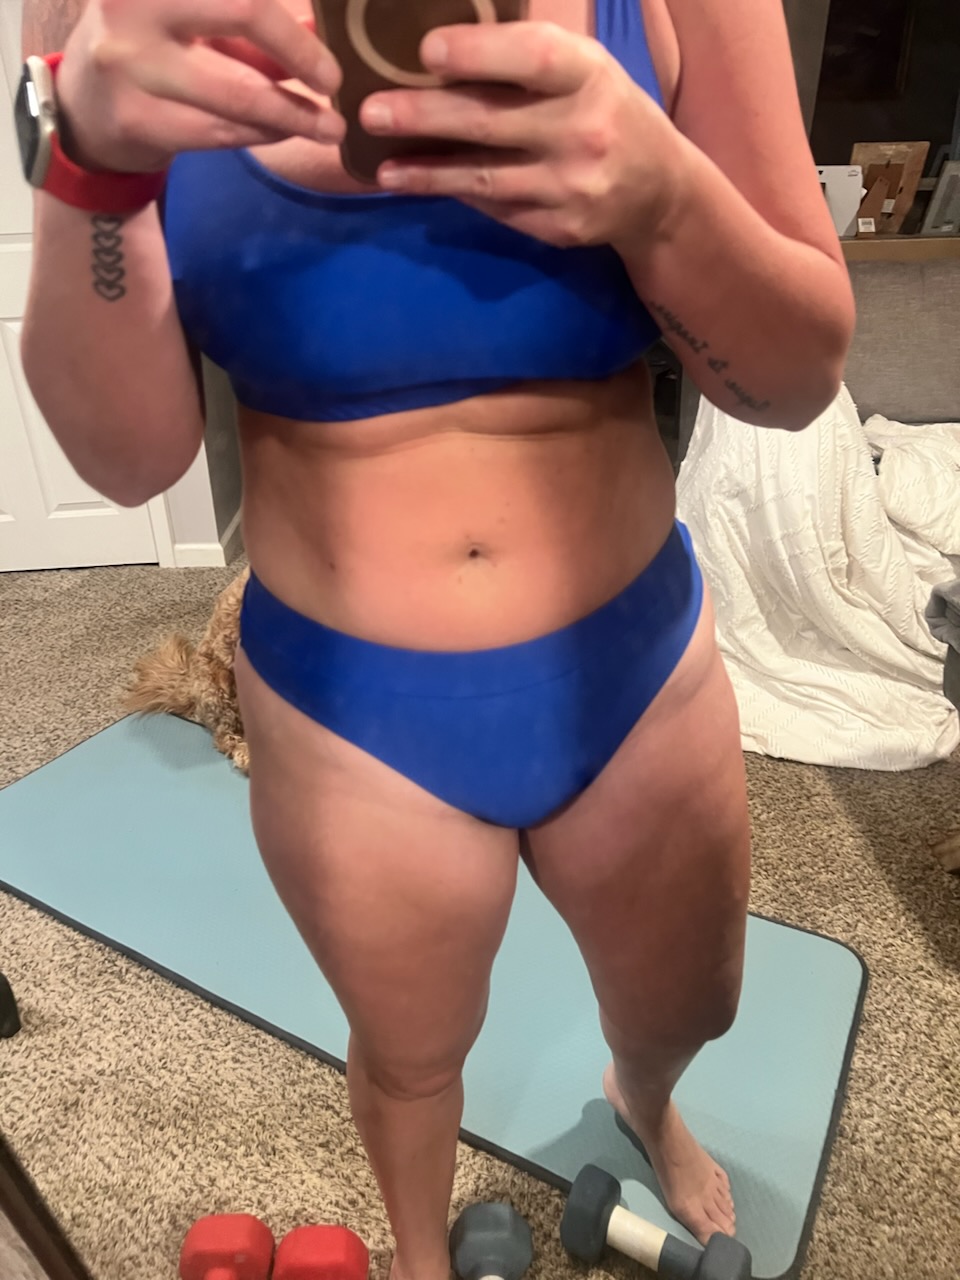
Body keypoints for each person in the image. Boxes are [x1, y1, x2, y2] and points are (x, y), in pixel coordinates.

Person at [19, 0, 855, 1272]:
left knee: (693, 1001)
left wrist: (660, 197)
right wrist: (90, 162)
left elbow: (792, 385)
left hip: (631, 668)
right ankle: (418, 1253)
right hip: (350, 703)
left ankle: (643, 1092)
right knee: (410, 1056)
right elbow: (129, 465)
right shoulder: (106, 12)